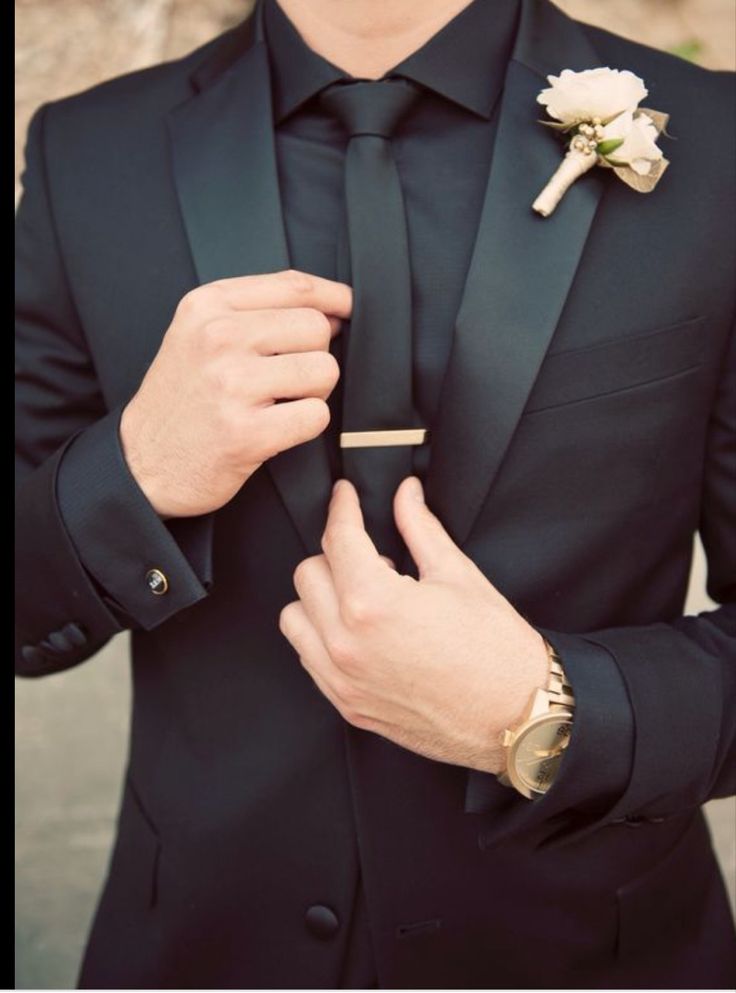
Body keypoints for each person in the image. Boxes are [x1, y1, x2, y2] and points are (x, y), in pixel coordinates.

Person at [15, 0, 736, 987]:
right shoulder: (88, 150)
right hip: (199, 951)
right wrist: (133, 470)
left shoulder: (719, 141)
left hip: (593, 953)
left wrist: (539, 712)